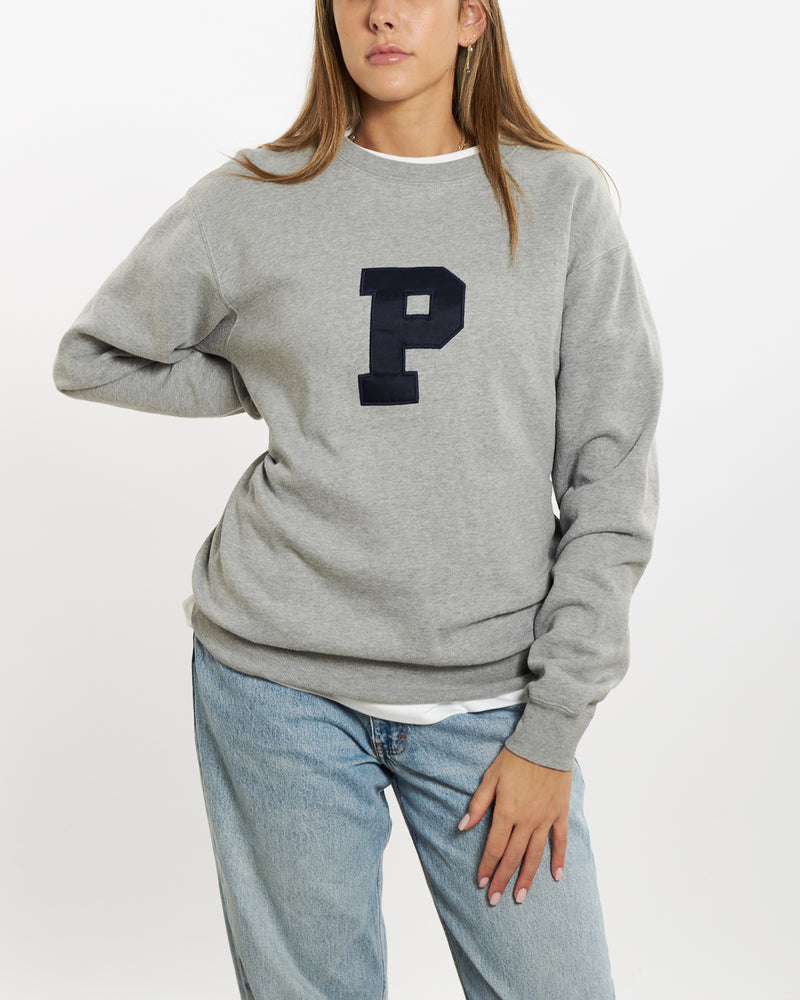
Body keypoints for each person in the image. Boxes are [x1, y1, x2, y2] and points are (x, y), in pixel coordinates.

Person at [51, 1, 663, 996]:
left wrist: (552, 731)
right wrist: (275, 378)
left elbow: (611, 473)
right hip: (274, 684)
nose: (380, 12)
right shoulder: (253, 198)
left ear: (470, 19)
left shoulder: (559, 199)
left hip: (493, 691)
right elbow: (95, 356)